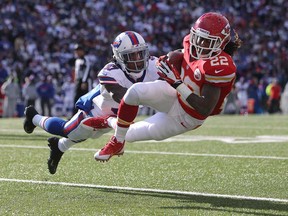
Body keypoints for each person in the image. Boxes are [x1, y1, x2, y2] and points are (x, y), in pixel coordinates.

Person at [94, 12, 242, 162]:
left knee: (130, 135)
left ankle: (109, 121)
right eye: (199, 38)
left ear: (221, 43)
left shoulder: (220, 66)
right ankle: (117, 142)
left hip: (188, 116)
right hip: (174, 93)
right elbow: (182, 54)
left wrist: (177, 83)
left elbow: (204, 108)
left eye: (207, 41)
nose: (200, 44)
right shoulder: (191, 43)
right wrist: (169, 59)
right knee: (135, 91)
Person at [23, 31, 159, 174]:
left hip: (115, 117)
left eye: (140, 53)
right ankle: (33, 117)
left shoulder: (152, 65)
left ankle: (59, 147)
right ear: (119, 56)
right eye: (131, 55)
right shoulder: (110, 72)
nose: (137, 59)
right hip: (94, 112)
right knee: (68, 130)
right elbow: (127, 99)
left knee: (84, 136)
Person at [72, 43, 93, 116]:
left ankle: (88, 114)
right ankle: (74, 115)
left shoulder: (86, 59)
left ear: (82, 51)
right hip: (78, 81)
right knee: (76, 97)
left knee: (87, 97)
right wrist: (75, 79)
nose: (77, 52)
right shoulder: (77, 60)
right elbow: (76, 71)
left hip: (85, 81)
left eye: (78, 50)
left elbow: (87, 70)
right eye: (76, 51)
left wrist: (84, 81)